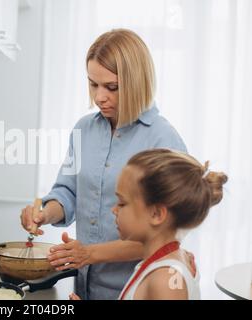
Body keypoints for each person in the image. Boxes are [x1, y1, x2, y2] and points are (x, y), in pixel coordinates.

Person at [20, 29, 188, 300]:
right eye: (92, 84)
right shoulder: (84, 129)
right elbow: (68, 191)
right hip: (84, 287)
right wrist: (44, 213)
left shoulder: (163, 139)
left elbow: (167, 238)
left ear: (137, 83)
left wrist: (89, 253)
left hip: (136, 290)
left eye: (111, 87)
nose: (99, 97)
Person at [72, 149, 228, 299]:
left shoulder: (165, 280)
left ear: (156, 214)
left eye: (122, 203)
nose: (114, 210)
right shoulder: (167, 263)